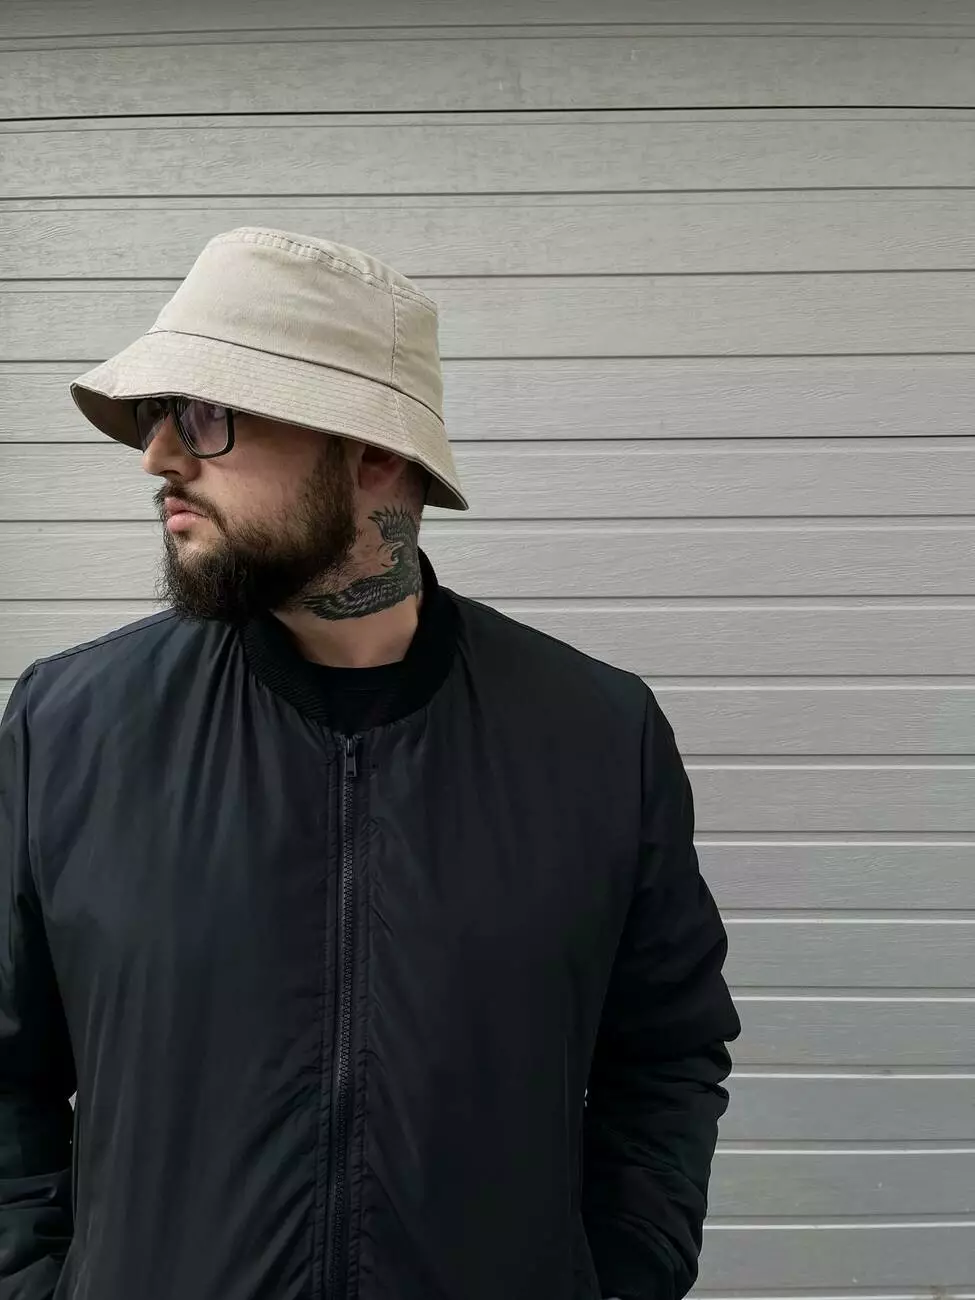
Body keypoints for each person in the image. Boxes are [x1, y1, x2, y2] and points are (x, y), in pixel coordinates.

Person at [0, 227, 740, 1300]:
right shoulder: (71, 728)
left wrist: (625, 1276)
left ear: (373, 453)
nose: (159, 457)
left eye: (202, 415)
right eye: (157, 416)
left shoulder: (595, 736)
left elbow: (665, 1053)